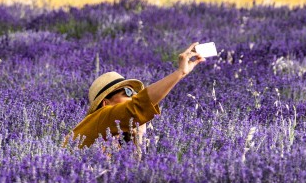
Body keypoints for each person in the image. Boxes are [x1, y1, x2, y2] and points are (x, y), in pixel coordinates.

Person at [70, 42, 206, 148]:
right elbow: (140, 104)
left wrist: (139, 135)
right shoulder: (101, 117)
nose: (134, 95)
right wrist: (180, 73)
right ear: (106, 103)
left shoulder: (118, 135)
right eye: (128, 92)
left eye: (135, 92)